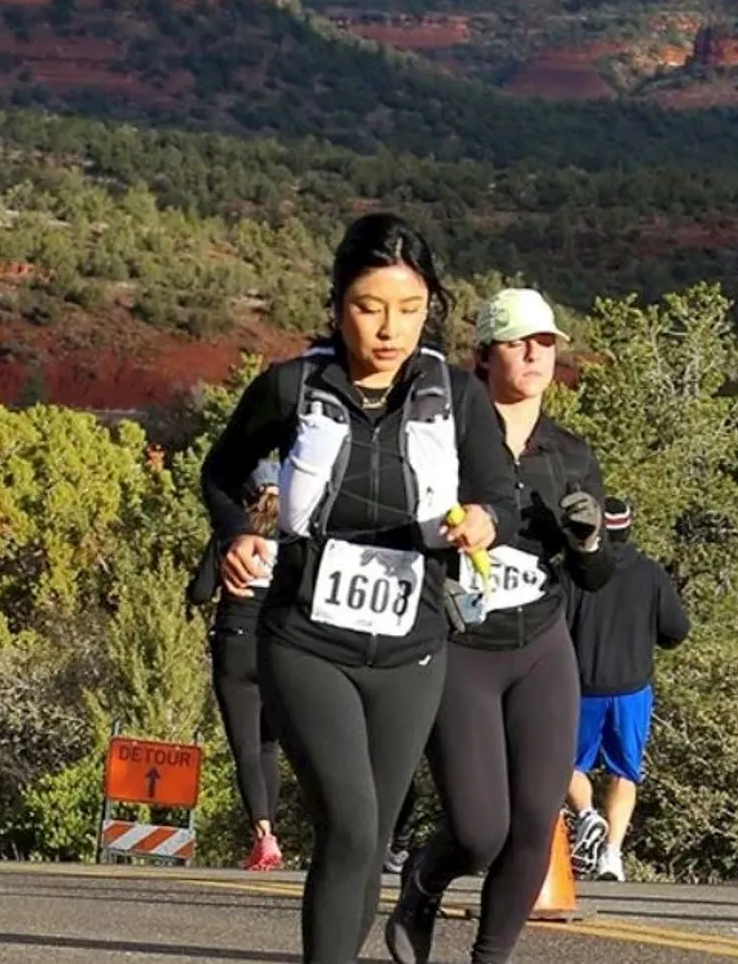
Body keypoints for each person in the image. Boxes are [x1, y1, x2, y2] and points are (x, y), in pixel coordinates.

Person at [201, 212, 516, 964]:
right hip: (306, 638)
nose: (389, 328)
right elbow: (220, 473)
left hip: (412, 644)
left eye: (409, 309)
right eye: (369, 306)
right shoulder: (290, 385)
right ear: (338, 303)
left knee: (369, 835)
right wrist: (236, 534)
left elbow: (501, 492)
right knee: (348, 818)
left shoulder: (458, 394)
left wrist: (483, 519)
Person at [387, 286, 610, 964]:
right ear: (483, 356)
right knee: (481, 829)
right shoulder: (439, 443)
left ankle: (489, 957)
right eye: (519, 342)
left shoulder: (571, 455)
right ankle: (424, 880)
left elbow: (597, 579)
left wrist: (589, 543)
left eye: (546, 342)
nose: (536, 354)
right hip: (460, 648)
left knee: (537, 819)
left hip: (542, 647)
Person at [564, 497, 689, 883]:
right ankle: (612, 856)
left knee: (562, 764)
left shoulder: (573, 573)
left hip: (580, 685)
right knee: (625, 771)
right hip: (632, 687)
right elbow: (675, 630)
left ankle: (587, 816)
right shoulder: (650, 573)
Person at [187, 461, 285, 871]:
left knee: (244, 745)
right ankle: (273, 835)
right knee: (268, 745)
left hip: (235, 644)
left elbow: (200, 592)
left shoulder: (233, 533)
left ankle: (263, 835)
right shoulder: (296, 537)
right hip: (279, 648)